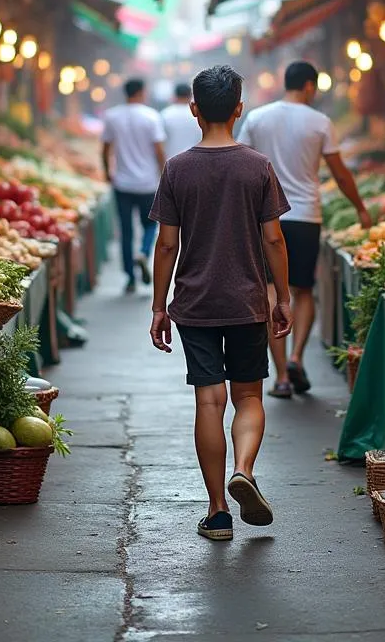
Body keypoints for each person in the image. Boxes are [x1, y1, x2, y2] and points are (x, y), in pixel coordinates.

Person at [149, 65, 293, 541]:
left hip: (195, 303)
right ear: (238, 109)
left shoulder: (177, 169)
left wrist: (158, 305)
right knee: (248, 396)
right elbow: (273, 239)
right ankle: (245, 471)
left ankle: (217, 513)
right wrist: (283, 296)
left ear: (194, 110)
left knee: (208, 400)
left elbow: (167, 245)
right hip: (248, 300)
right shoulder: (257, 166)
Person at [239, 60, 372, 399]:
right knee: (301, 291)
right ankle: (297, 356)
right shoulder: (320, 122)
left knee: (269, 292)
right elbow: (341, 174)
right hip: (305, 216)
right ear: (310, 86)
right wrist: (359, 207)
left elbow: (241, 164)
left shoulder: (257, 118)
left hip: (264, 217)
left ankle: (281, 375)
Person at [102, 79, 166, 294]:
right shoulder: (151, 116)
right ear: (142, 92)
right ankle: (144, 252)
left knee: (126, 230)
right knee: (149, 225)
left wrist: (107, 173)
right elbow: (158, 150)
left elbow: (105, 148)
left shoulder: (112, 116)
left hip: (122, 183)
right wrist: (163, 174)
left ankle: (130, 277)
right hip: (147, 183)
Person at [160, 83, 201, 157]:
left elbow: (160, 143)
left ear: (175, 96)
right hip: (195, 161)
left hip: (170, 162)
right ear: (190, 95)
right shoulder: (198, 115)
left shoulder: (165, 115)